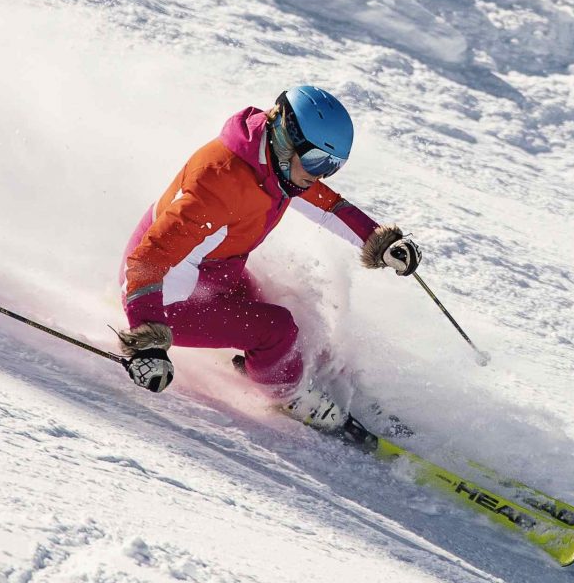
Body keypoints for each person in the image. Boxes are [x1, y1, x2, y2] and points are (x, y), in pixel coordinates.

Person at [116, 85, 420, 429]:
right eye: (317, 161)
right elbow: (148, 259)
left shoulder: (278, 168)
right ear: (285, 138)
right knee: (276, 330)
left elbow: (327, 206)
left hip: (214, 272)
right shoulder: (219, 183)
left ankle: (302, 371)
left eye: (332, 166)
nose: (319, 175)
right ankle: (288, 396)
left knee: (293, 312)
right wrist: (148, 341)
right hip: (165, 299)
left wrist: (377, 241)